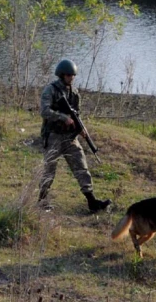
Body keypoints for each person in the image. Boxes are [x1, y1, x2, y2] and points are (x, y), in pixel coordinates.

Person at [38, 59, 112, 213]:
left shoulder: (74, 93)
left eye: (73, 75)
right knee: (49, 170)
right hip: (53, 137)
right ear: (62, 75)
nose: (72, 78)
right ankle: (42, 201)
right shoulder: (50, 90)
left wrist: (82, 129)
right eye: (69, 75)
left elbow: (76, 114)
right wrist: (62, 117)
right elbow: (44, 111)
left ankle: (92, 201)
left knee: (81, 167)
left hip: (70, 137)